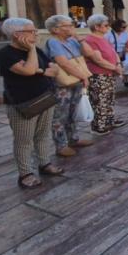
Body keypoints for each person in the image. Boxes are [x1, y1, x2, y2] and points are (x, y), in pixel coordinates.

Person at [0, 17, 64, 188]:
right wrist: (32, 51)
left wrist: (38, 70)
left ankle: (45, 163)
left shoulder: (39, 51)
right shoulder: (6, 53)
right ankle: (25, 173)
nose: (36, 34)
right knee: (24, 140)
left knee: (43, 134)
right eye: (31, 31)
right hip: (23, 103)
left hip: (45, 98)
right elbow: (28, 70)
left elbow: (54, 69)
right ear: (17, 35)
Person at [44, 15, 94, 157]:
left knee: (72, 111)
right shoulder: (53, 42)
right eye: (67, 25)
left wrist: (79, 38)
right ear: (55, 29)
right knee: (60, 115)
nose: (71, 27)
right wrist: (83, 76)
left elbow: (87, 53)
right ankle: (61, 145)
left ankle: (73, 138)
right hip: (63, 84)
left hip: (76, 80)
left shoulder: (72, 41)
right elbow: (63, 62)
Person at [80, 15, 123, 135]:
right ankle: (99, 126)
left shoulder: (103, 38)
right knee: (100, 100)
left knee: (110, 98)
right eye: (105, 25)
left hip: (109, 73)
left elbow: (113, 52)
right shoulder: (90, 40)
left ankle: (109, 120)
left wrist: (118, 63)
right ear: (96, 27)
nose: (108, 27)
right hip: (98, 75)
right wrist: (115, 68)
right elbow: (97, 60)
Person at [105, 19, 128, 89]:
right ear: (117, 27)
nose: (125, 28)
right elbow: (106, 45)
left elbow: (127, 44)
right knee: (113, 67)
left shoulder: (126, 34)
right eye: (123, 27)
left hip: (123, 52)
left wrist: (123, 52)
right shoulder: (108, 34)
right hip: (112, 53)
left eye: (125, 27)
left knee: (127, 64)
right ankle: (112, 81)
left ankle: (125, 80)